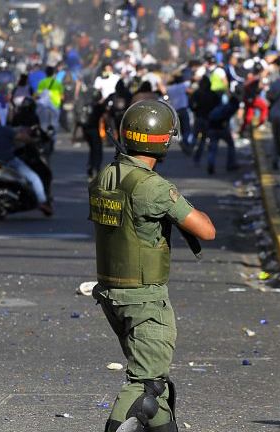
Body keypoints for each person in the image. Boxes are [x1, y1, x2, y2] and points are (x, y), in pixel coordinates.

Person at [89, 100, 215, 432]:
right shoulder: (152, 187)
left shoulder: (107, 174)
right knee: (145, 385)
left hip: (112, 293)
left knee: (156, 384)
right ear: (162, 141)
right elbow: (206, 230)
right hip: (145, 299)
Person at [0, 112, 53, 216]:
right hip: (7, 160)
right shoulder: (4, 129)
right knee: (33, 177)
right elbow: (22, 138)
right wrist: (33, 141)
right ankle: (43, 202)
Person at [206, 87, 241, 174]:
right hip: (221, 128)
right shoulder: (230, 108)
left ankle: (211, 164)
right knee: (231, 145)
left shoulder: (222, 106)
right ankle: (230, 164)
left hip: (212, 128)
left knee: (213, 147)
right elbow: (225, 120)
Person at [36, 66, 63, 132]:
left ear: (46, 73)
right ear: (53, 73)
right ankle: (53, 136)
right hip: (55, 104)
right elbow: (62, 96)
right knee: (54, 122)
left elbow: (38, 94)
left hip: (44, 105)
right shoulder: (58, 83)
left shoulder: (42, 82)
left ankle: (44, 135)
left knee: (44, 123)